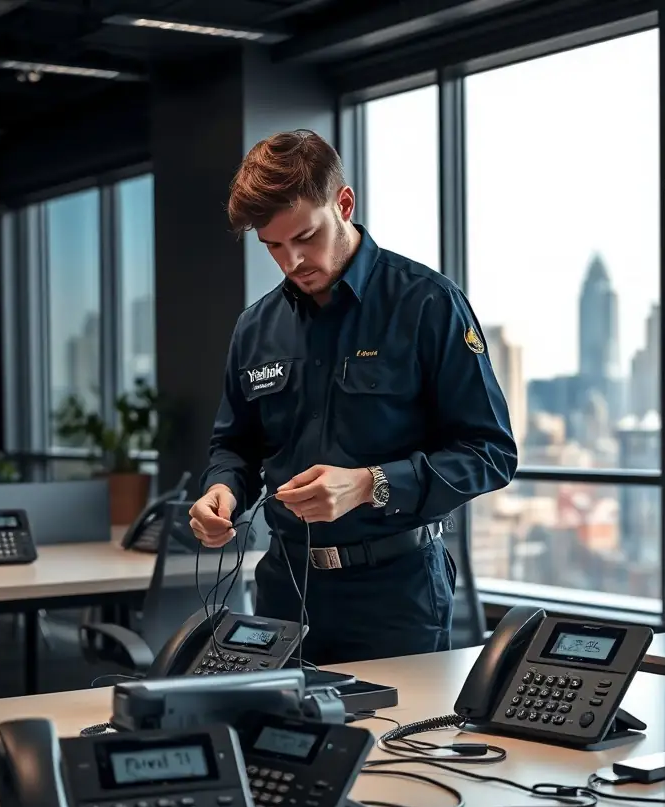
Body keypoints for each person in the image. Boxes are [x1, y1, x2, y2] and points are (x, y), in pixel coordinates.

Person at [189, 129, 517, 664]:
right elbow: (235, 447)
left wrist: (371, 485)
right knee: (276, 742)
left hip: (395, 594)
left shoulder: (427, 304)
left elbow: (491, 454)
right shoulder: (255, 328)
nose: (292, 261)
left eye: (306, 236)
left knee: (395, 746)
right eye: (273, 246)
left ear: (344, 203)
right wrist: (221, 491)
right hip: (283, 588)